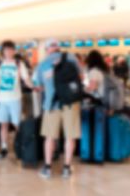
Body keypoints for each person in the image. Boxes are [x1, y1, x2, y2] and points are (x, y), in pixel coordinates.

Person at [33, 39, 82, 179]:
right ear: (58, 47)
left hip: (51, 103)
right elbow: (81, 77)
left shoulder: (42, 64)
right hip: (71, 103)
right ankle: (66, 168)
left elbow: (39, 86)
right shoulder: (71, 58)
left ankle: (48, 168)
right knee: (70, 137)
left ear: (47, 49)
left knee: (49, 137)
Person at [0, 40, 32, 159]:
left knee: (17, 124)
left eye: (10, 49)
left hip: (15, 99)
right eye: (6, 50)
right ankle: (4, 148)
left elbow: (26, 79)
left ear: (13, 51)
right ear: (3, 51)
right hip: (2, 99)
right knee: (3, 124)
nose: (8, 52)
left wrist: (34, 86)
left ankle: (19, 145)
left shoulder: (18, 64)